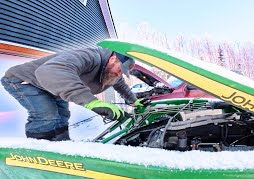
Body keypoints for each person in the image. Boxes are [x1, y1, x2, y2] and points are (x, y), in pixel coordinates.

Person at [1, 47, 150, 141]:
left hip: (48, 84)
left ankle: (61, 146)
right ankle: (39, 153)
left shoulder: (111, 72)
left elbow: (120, 85)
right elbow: (49, 72)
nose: (119, 74)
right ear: (112, 58)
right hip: (23, 80)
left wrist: (134, 101)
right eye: (120, 69)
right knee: (47, 115)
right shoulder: (89, 56)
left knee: (63, 115)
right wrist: (92, 102)